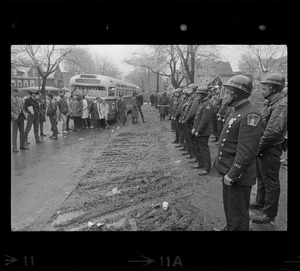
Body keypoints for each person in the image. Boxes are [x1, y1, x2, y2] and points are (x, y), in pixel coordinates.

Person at [210, 75, 264, 231]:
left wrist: (233, 174)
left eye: (227, 92)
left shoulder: (250, 115)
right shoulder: (237, 111)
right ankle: (229, 227)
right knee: (230, 208)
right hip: (228, 169)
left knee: (239, 214)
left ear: (236, 94)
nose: (224, 95)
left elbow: (246, 152)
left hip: (238, 175)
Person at [250, 73, 287, 224]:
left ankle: (269, 214)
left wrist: (257, 148)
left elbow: (272, 132)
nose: (261, 91)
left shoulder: (281, 105)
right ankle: (261, 202)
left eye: (264, 88)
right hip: (263, 147)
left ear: (272, 88)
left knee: (271, 182)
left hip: (270, 149)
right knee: (261, 177)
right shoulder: (270, 103)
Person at [191, 86, 214, 175]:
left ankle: (207, 168)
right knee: (199, 148)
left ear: (203, 95)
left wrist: (199, 130)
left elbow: (205, 119)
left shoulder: (208, 104)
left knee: (204, 149)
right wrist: (194, 128)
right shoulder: (202, 103)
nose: (197, 96)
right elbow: (197, 118)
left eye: (199, 94)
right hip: (200, 130)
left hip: (204, 131)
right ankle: (200, 163)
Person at [181, 83, 200, 160]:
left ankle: (194, 156)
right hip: (189, 121)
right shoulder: (191, 98)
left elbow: (192, 112)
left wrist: (186, 120)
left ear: (194, 90)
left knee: (192, 141)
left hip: (191, 122)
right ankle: (190, 153)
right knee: (189, 139)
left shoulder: (195, 99)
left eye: (190, 89)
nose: (188, 90)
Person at [11, 88, 29, 152]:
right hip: (15, 118)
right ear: (12, 93)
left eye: (16, 92)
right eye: (13, 92)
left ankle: (22, 145)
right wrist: (13, 115)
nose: (15, 93)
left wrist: (25, 114)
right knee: (15, 133)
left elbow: (23, 108)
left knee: (22, 132)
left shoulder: (20, 100)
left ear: (17, 93)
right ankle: (14, 147)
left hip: (21, 117)